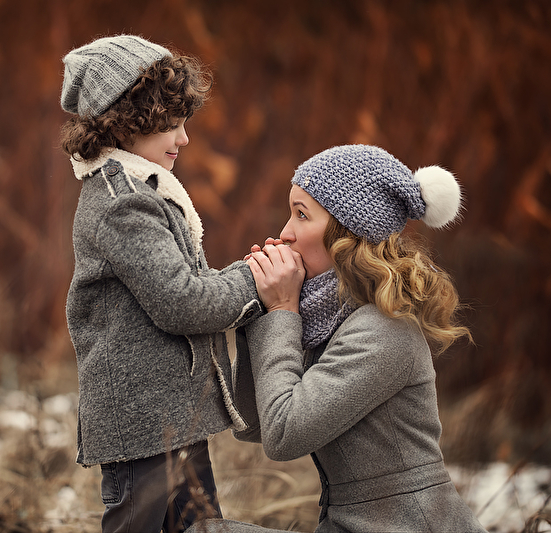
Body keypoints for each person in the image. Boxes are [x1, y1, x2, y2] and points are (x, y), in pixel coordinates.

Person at [187, 145, 487, 532]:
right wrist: (260, 311)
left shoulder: (383, 331)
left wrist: (281, 312)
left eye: (301, 214)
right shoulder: (331, 322)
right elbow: (254, 425)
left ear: (347, 233)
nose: (285, 233)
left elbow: (283, 435)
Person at [60, 35, 265, 533]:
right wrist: (255, 280)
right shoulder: (122, 203)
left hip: (171, 419)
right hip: (141, 426)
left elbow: (187, 282)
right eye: (171, 125)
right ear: (125, 123)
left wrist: (247, 275)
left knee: (200, 528)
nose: (184, 138)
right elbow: (181, 301)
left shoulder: (144, 190)